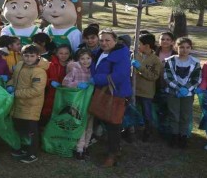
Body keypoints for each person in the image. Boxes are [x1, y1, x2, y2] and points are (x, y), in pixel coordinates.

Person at [90, 29, 131, 168]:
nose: (104, 43)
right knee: (105, 121)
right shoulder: (100, 52)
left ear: (115, 40)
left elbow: (119, 75)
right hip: (103, 92)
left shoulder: (121, 55)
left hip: (117, 94)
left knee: (113, 124)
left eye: (107, 40)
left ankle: (113, 155)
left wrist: (96, 79)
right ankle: (112, 149)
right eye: (101, 40)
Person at [7, 45, 47, 163]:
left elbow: (36, 90)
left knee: (31, 131)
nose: (29, 58)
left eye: (32, 56)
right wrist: (9, 85)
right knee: (21, 128)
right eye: (26, 55)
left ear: (38, 56)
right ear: (22, 55)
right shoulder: (20, 65)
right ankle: (25, 148)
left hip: (31, 106)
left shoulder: (39, 71)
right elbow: (14, 78)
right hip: (18, 103)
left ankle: (32, 153)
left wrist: (16, 93)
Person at [163, 37, 201, 148]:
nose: (184, 50)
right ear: (176, 47)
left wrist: (187, 89)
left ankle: (183, 136)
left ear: (190, 48)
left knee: (185, 115)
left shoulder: (195, 62)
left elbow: (197, 78)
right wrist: (179, 88)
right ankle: (174, 136)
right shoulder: (170, 61)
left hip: (187, 94)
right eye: (182, 47)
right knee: (174, 114)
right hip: (173, 92)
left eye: (187, 47)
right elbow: (168, 77)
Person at [131, 33, 163, 142]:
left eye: (138, 44)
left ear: (147, 46)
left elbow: (154, 76)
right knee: (131, 110)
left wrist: (140, 68)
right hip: (134, 89)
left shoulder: (156, 60)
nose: (135, 46)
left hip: (146, 92)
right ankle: (130, 129)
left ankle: (148, 130)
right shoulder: (134, 55)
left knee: (147, 113)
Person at [65, 48, 94, 160]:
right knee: (81, 126)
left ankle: (86, 146)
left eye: (88, 58)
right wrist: (77, 84)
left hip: (91, 102)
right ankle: (79, 149)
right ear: (78, 60)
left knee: (89, 125)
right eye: (82, 58)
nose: (85, 61)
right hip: (79, 103)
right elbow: (65, 82)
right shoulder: (75, 70)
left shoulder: (92, 71)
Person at [41, 45, 71, 126]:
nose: (64, 55)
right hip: (51, 95)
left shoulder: (72, 65)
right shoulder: (50, 65)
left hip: (66, 96)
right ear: (57, 53)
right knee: (48, 117)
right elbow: (42, 78)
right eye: (61, 53)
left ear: (70, 54)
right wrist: (50, 82)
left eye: (66, 53)